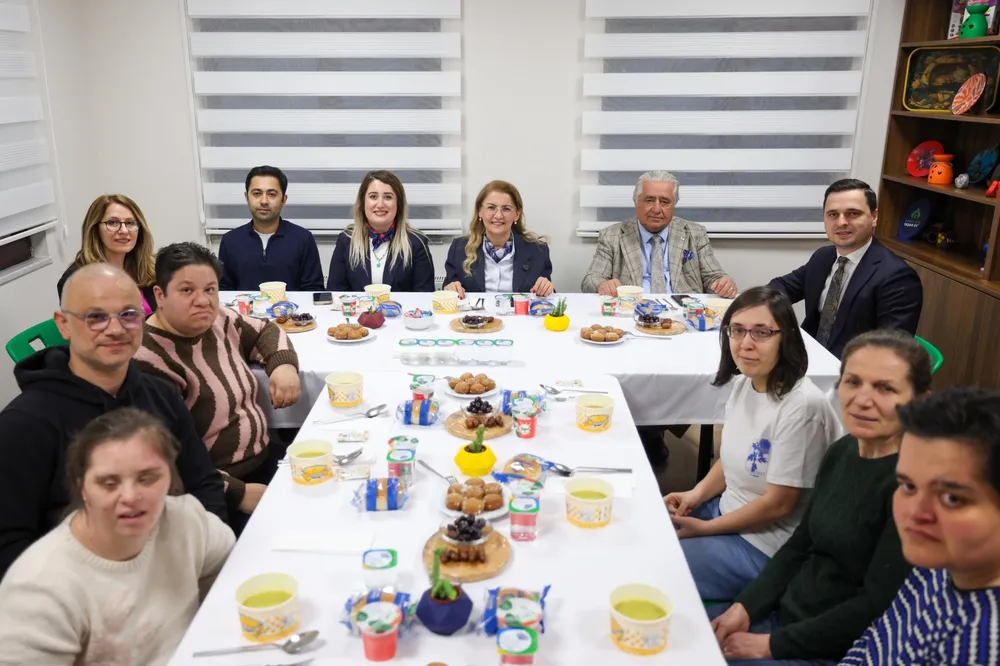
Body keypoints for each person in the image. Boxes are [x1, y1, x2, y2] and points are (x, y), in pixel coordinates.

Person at [709, 329, 930, 665]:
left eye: (885, 388)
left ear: (921, 401)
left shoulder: (915, 487)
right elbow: (801, 544)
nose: (862, 399)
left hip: (831, 649)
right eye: (853, 382)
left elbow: (875, 606)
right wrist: (746, 607)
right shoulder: (843, 450)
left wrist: (771, 646)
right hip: (786, 614)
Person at [0, 264, 226, 581]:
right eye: (96, 317)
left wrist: (207, 559)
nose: (116, 329)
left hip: (177, 567)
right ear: (64, 324)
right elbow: (9, 545)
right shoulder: (24, 425)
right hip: (84, 592)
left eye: (129, 315)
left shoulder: (161, 394)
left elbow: (203, 483)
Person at [0, 408, 235, 665]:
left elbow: (233, 572)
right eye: (109, 483)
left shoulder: (186, 520)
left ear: (170, 476)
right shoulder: (39, 589)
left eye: (147, 478)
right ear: (81, 487)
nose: (130, 497)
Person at [664, 286, 843, 602]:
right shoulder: (746, 383)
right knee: (646, 536)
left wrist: (706, 529)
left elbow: (778, 505)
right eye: (737, 330)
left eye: (761, 332)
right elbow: (735, 457)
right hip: (728, 512)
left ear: (786, 337)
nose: (745, 343)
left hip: (767, 546)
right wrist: (696, 494)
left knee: (661, 571)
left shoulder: (802, 407)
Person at [135, 242, 300, 535]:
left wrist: (283, 365)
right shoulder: (149, 363)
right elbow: (169, 460)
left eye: (210, 289)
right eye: (187, 290)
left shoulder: (219, 320)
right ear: (160, 295)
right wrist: (238, 493)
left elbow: (265, 330)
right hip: (215, 491)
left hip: (263, 459)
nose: (203, 301)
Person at [841, 387, 1000, 666]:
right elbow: (878, 636)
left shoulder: (978, 648)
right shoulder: (939, 561)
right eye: (908, 486)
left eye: (952, 498)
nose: (915, 513)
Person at [768, 178, 923, 359]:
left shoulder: (898, 277)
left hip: (850, 367)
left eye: (853, 213)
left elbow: (890, 350)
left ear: (874, 217)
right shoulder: (823, 257)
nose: (841, 222)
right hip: (807, 354)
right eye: (833, 214)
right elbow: (782, 286)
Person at [581, 170, 736, 298]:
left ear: (674, 204)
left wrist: (723, 284)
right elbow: (590, 279)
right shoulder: (612, 236)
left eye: (664, 202)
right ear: (636, 201)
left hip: (683, 311)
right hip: (632, 309)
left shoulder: (695, 234)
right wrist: (602, 284)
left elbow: (713, 277)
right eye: (649, 200)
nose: (656, 209)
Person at [218, 165, 325, 292]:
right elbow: (223, 291)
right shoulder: (230, 241)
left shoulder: (303, 239)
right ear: (246, 196)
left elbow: (314, 290)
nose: (264, 201)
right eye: (257, 194)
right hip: (245, 306)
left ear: (284, 199)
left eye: (272, 194)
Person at [326, 169, 435, 292]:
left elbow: (424, 295)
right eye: (373, 196)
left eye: (388, 197)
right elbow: (335, 292)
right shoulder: (346, 240)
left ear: (398, 204)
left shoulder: (416, 242)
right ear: (363, 202)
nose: (380, 204)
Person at [442, 180, 554, 297]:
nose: (498, 216)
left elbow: (548, 299)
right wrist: (451, 288)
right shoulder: (459, 248)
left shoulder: (538, 251)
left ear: (517, 214)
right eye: (491, 207)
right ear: (480, 211)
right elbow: (447, 292)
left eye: (506, 209)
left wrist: (546, 288)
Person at [57, 194, 158, 316]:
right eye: (112, 222)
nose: (124, 230)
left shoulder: (150, 267)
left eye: (130, 223)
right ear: (95, 229)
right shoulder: (76, 281)